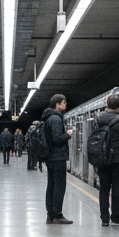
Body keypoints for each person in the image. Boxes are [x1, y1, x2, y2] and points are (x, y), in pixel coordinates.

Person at [93, 94, 119, 227]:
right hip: (117, 160)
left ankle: (104, 218)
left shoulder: (98, 119)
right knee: (116, 189)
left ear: (107, 105)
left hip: (102, 159)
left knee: (104, 188)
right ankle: (115, 216)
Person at [42, 94, 73, 224]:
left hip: (51, 157)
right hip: (57, 157)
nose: (65, 105)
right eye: (64, 103)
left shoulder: (49, 118)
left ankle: (51, 215)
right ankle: (57, 215)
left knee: (52, 185)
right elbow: (57, 139)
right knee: (59, 186)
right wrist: (67, 135)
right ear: (58, 104)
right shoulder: (55, 119)